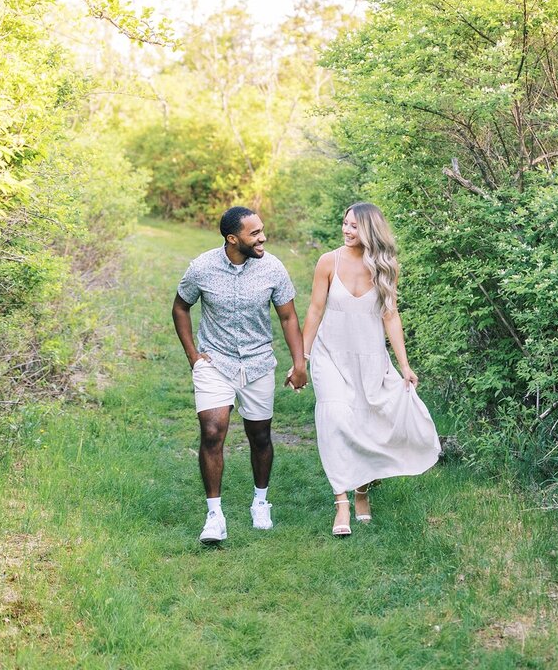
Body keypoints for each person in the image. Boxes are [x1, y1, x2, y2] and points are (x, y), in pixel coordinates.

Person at [297, 202, 439, 537]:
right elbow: (315, 310)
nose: (347, 231)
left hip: (370, 360)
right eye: (345, 224)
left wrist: (404, 365)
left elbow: (391, 315)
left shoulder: (385, 267)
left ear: (370, 230)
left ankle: (362, 492)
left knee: (365, 424)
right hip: (330, 357)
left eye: (354, 226)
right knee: (335, 420)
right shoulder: (327, 262)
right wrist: (301, 358)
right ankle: (341, 502)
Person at [172, 206, 307, 544]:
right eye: (254, 233)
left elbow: (289, 318)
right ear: (233, 239)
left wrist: (299, 363)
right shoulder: (201, 268)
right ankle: (214, 515)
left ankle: (261, 502)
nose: (262, 238)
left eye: (262, 230)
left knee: (259, 436)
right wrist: (193, 356)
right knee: (213, 431)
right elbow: (180, 307)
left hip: (258, 363)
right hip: (215, 362)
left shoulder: (273, 268)